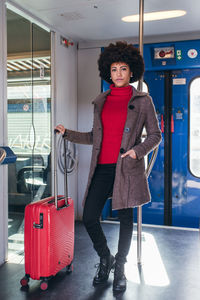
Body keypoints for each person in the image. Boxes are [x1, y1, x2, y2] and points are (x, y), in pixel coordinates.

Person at [55, 41, 162, 293]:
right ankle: (106, 259)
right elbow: (96, 137)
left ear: (131, 71)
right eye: (114, 69)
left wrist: (138, 151)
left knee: (126, 219)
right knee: (90, 215)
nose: (119, 74)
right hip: (102, 167)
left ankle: (121, 266)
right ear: (108, 72)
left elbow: (155, 135)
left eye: (123, 69)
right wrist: (67, 133)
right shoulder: (100, 101)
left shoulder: (143, 100)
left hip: (126, 167)